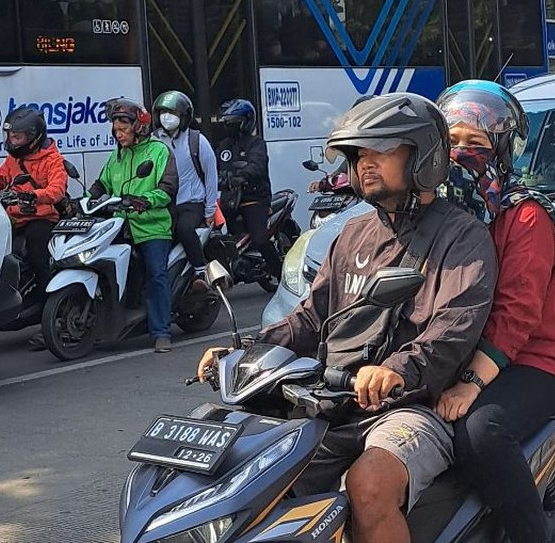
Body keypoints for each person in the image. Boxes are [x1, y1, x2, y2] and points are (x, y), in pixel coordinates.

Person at [197, 93, 497, 543]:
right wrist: (244, 350)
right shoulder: (351, 234)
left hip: (409, 406)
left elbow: (451, 332)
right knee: (247, 477)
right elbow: (310, 319)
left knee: (369, 486)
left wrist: (393, 371)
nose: (365, 164)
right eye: (358, 155)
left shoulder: (462, 238)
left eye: (380, 150)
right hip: (330, 401)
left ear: (423, 155)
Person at [432, 80, 555, 543]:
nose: (462, 153)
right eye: (452, 142)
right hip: (456, 354)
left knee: (480, 431)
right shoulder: (436, 212)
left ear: (501, 150)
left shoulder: (523, 215)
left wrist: (472, 381)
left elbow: (518, 310)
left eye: (476, 144)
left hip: (535, 360)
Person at [89, 98, 180, 352]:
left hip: (153, 225)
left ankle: (162, 331)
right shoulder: (116, 156)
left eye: (123, 130)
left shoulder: (159, 152)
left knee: (156, 274)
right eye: (116, 131)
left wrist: (145, 201)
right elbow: (101, 185)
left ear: (138, 127)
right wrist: (83, 201)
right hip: (120, 224)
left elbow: (168, 189)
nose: (119, 135)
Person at [0, 108, 70, 350]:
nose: (11, 141)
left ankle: (51, 316)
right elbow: (0, 182)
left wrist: (33, 197)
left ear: (33, 136)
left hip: (41, 218)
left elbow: (57, 190)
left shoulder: (52, 159)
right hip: (14, 218)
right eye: (10, 136)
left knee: (40, 259)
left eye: (17, 137)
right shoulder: (11, 161)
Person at [153, 90, 219, 292]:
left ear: (184, 116)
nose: (167, 116)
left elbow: (211, 176)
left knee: (183, 229)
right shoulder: (154, 140)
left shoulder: (197, 140)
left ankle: (201, 270)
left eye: (172, 112)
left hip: (192, 203)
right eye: (163, 112)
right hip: (165, 203)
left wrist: (209, 211)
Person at [214, 98, 283, 281]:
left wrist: (242, 176)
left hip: (254, 199)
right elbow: (213, 168)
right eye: (227, 122)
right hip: (230, 201)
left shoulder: (256, 143)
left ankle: (282, 275)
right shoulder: (224, 146)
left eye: (234, 122)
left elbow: (257, 165)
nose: (229, 126)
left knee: (260, 239)